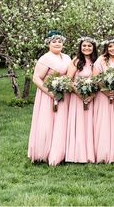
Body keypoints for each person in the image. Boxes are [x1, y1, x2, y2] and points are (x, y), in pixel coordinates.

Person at [28, 31, 71, 166]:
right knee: (48, 122)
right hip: (48, 95)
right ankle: (45, 152)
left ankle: (61, 151)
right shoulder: (45, 58)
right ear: (48, 44)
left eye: (59, 41)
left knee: (62, 122)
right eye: (54, 41)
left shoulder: (67, 58)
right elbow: (36, 78)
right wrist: (50, 93)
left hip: (64, 94)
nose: (57, 44)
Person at [65, 36, 98, 163]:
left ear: (93, 48)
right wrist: (80, 95)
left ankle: (89, 154)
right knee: (78, 124)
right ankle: (77, 154)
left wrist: (91, 96)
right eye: (84, 46)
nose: (87, 48)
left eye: (89, 46)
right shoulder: (76, 61)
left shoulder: (96, 61)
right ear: (80, 47)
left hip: (90, 97)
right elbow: (69, 80)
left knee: (90, 125)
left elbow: (97, 81)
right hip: (77, 98)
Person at [92, 38, 114, 163]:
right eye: (110, 46)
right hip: (103, 96)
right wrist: (105, 91)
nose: (113, 49)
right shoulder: (100, 60)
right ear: (106, 48)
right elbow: (96, 78)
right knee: (103, 123)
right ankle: (103, 154)